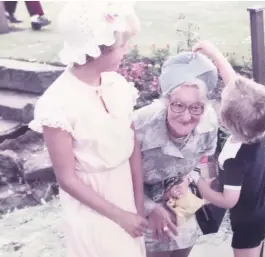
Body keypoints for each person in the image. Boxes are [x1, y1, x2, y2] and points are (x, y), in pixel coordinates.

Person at [28, 2, 147, 257]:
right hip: (93, 208)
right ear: (96, 50)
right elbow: (67, 178)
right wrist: (120, 216)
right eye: (120, 46)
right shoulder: (57, 104)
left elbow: (132, 144)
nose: (127, 50)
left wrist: (138, 202)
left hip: (125, 192)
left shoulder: (117, 84)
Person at [192, 41, 265, 257]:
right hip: (260, 211)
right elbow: (233, 84)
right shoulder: (256, 131)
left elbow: (229, 200)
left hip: (248, 224)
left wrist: (200, 185)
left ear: (226, 120)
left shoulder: (234, 160)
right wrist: (213, 53)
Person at [133, 51, 219, 257]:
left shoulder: (208, 123)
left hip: (181, 205)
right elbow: (116, 177)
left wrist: (188, 180)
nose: (186, 117)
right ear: (166, 101)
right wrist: (150, 208)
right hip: (139, 203)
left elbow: (206, 163)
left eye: (196, 108)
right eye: (178, 105)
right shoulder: (139, 125)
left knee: (182, 247)